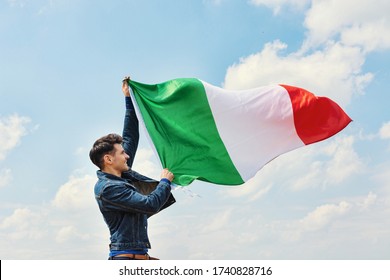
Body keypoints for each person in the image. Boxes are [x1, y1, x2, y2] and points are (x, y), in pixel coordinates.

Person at [89, 76, 176, 260]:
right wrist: (164, 181)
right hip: (125, 258)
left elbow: (129, 136)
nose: (127, 155)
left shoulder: (122, 175)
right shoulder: (108, 188)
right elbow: (149, 205)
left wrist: (128, 98)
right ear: (108, 159)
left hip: (139, 255)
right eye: (122, 153)